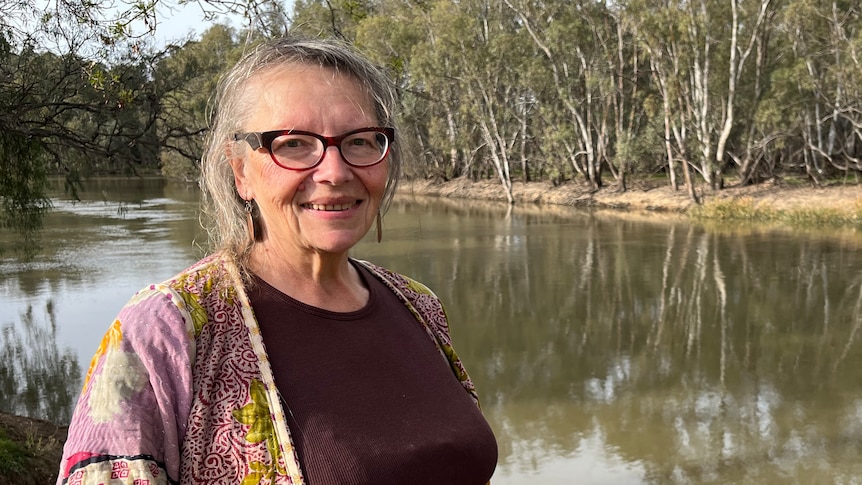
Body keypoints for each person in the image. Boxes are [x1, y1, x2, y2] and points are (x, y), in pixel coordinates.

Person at [57, 36, 498, 485]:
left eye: (362, 141)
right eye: (293, 145)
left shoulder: (417, 305)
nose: (335, 171)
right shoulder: (167, 329)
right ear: (240, 170)